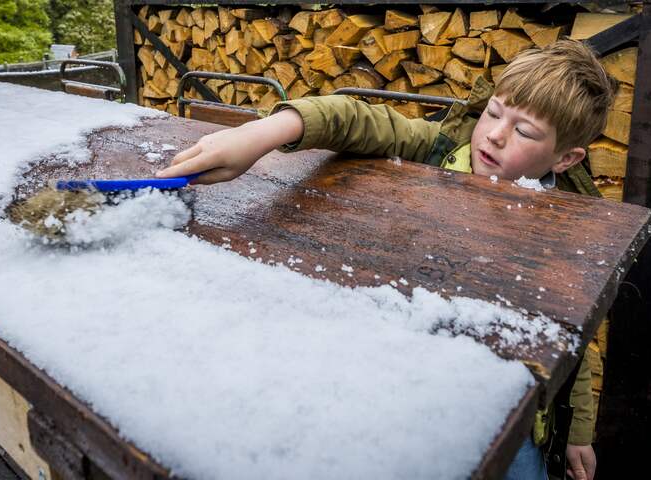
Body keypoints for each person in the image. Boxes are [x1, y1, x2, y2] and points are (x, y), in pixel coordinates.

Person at [157, 39, 616, 480]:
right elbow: (351, 116)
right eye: (494, 112)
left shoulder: (569, 229)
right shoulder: (440, 150)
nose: (494, 134)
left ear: (565, 157)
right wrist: (261, 134)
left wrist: (578, 431)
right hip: (422, 386)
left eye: (523, 131)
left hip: (514, 410)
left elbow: (569, 335)